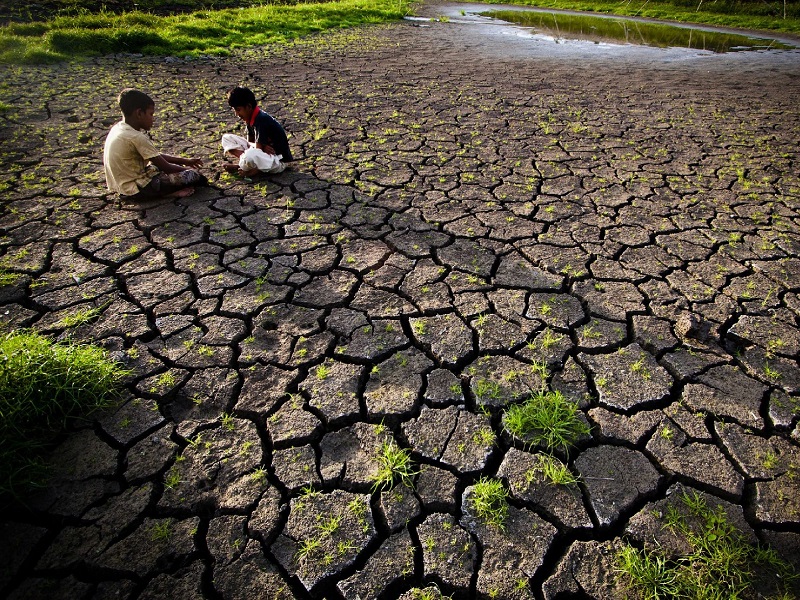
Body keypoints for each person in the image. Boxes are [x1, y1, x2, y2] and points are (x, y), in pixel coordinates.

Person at [103, 89, 206, 201]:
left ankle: (164, 192)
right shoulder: (136, 137)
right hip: (138, 190)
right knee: (193, 176)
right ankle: (167, 194)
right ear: (139, 113)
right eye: (150, 114)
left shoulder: (119, 128)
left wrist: (185, 161)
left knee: (156, 168)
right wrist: (192, 173)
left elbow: (155, 157)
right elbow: (167, 167)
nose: (153, 118)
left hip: (122, 187)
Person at [221, 86, 293, 178]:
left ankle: (248, 169)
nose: (237, 114)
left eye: (238, 110)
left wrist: (260, 147)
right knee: (227, 138)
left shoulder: (261, 119)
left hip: (278, 161)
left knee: (250, 155)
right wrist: (262, 147)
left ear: (249, 107)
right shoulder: (249, 118)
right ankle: (244, 165)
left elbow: (256, 150)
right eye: (234, 110)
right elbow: (250, 143)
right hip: (262, 154)